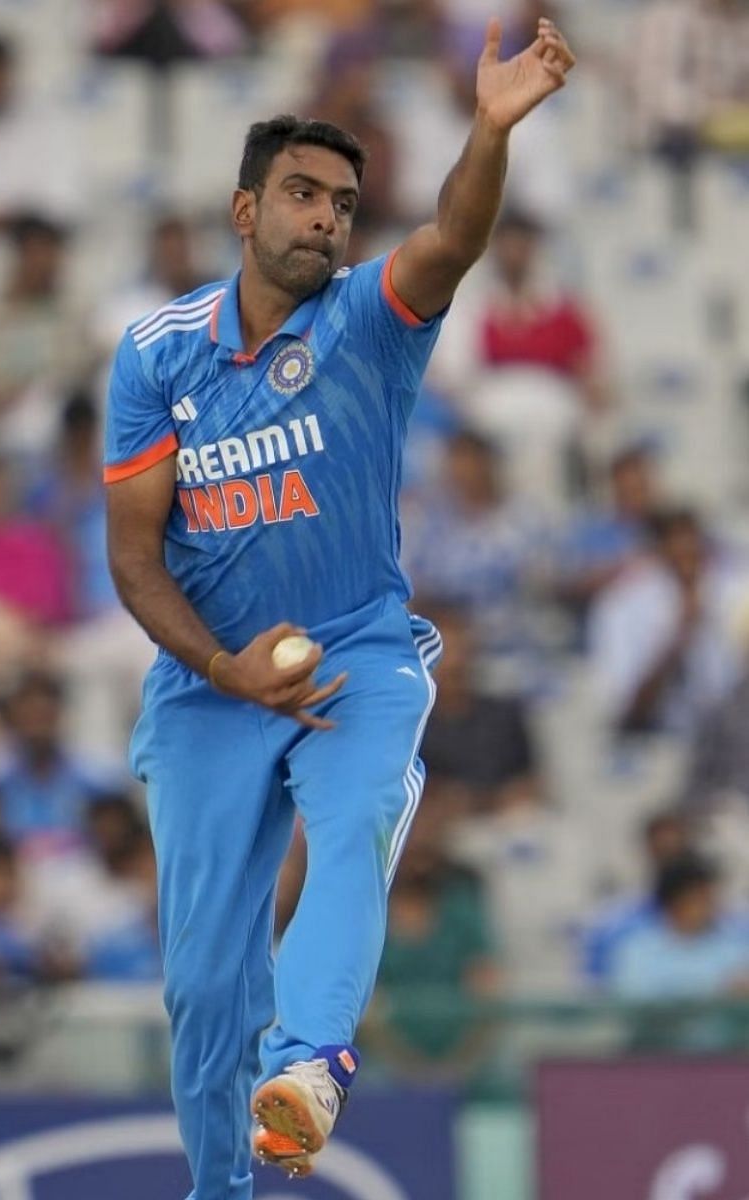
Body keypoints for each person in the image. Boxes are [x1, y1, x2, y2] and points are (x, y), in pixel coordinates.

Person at [99, 19, 574, 1189]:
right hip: (210, 685)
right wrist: (223, 671)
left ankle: (312, 1064)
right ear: (244, 210)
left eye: (342, 203)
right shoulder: (158, 355)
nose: (325, 216)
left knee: (356, 820)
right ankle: (224, 1187)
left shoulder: (368, 320)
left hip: (357, 654)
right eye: (301, 193)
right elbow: (133, 558)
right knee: (204, 983)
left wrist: (489, 130)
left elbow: (454, 235)